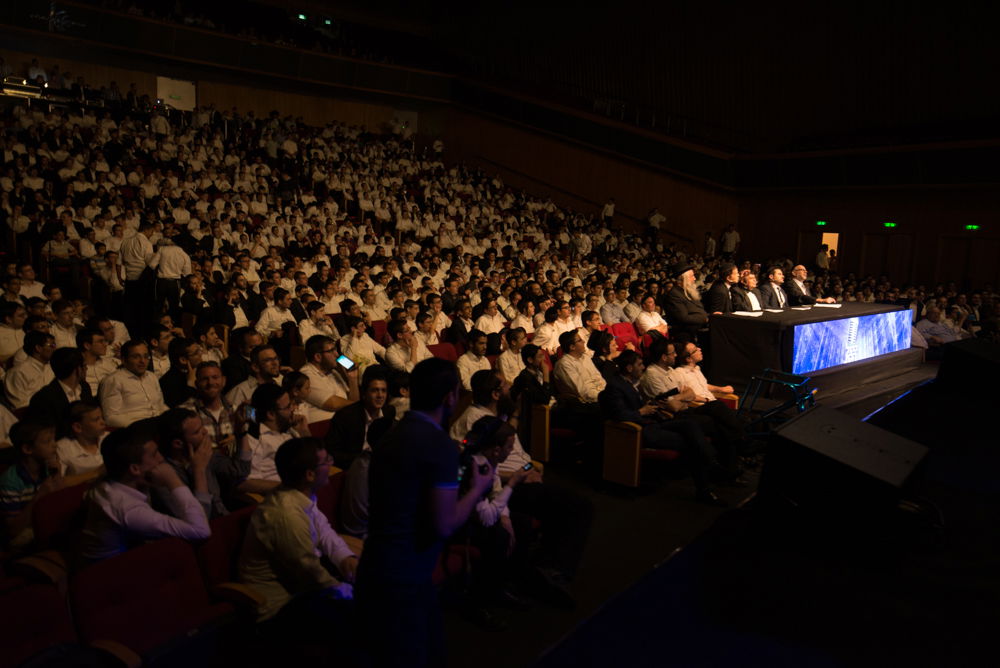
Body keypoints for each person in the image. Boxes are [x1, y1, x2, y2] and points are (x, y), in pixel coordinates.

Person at [356, 358, 495, 668]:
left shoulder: (390, 435)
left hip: (376, 565)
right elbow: (444, 525)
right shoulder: (438, 445)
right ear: (451, 396)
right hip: (407, 575)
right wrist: (476, 488)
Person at [238, 437, 359, 630]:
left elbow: (323, 528)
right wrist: (345, 591)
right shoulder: (285, 514)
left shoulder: (297, 494)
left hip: (302, 587)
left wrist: (344, 557)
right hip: (280, 607)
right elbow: (309, 571)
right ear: (310, 475)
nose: (331, 463)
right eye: (326, 460)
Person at [599, 350, 724, 506]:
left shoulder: (629, 383)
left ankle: (710, 460)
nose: (643, 367)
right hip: (638, 431)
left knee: (690, 424)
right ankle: (706, 483)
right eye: (639, 364)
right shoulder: (615, 387)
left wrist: (652, 408)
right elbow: (619, 414)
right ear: (629, 368)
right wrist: (641, 411)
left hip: (652, 421)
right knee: (690, 442)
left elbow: (635, 407)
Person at [78, 418, 211, 562]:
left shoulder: (115, 480)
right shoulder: (127, 508)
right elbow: (200, 531)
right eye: (154, 454)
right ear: (135, 469)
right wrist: (173, 480)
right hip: (111, 572)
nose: (161, 459)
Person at [327, 366, 395, 536]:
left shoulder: (388, 411)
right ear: (364, 393)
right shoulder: (346, 416)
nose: (380, 395)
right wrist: (363, 458)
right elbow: (332, 453)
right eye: (375, 391)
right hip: (355, 469)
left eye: (383, 391)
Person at [155, 407, 250, 519]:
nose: (205, 432)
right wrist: (198, 470)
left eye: (202, 427)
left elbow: (241, 469)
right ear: (178, 443)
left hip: (225, 519)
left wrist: (241, 432)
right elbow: (200, 519)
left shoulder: (203, 454)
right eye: (197, 432)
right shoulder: (163, 477)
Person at [0, 418, 63, 549]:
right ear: (28, 449)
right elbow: (13, 530)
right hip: (22, 536)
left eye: (54, 439)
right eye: (47, 442)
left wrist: (57, 476)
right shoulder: (11, 481)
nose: (54, 445)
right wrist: (39, 496)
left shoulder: (48, 468)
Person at [241, 383, 308, 493]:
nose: (293, 409)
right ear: (271, 414)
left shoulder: (289, 430)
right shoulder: (255, 439)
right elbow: (245, 482)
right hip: (282, 497)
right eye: (288, 407)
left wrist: (304, 431)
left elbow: (314, 458)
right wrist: (288, 488)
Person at [98, 340, 168, 428]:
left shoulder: (151, 377)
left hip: (158, 426)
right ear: (123, 360)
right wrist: (138, 427)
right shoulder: (113, 380)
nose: (142, 361)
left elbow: (160, 406)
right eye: (136, 357)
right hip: (134, 431)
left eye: (146, 356)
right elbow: (110, 418)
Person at [27, 346, 93, 434]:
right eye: (84, 365)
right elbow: (48, 432)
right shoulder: (44, 398)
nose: (87, 369)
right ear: (77, 369)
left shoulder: (84, 387)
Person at [300, 335, 359, 424]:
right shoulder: (306, 375)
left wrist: (353, 379)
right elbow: (333, 404)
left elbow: (353, 400)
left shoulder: (333, 373)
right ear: (318, 357)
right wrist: (361, 406)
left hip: (343, 424)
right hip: (322, 428)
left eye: (335, 349)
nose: (337, 354)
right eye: (331, 351)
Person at [4, 331, 56, 410]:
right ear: (38, 348)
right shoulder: (18, 372)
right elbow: (20, 406)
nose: (55, 348)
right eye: (52, 345)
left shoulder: (51, 368)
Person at [57, 400, 107, 476]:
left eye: (102, 417)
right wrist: (97, 472)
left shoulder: (108, 438)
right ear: (78, 427)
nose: (103, 422)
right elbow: (60, 483)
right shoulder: (63, 449)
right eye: (96, 420)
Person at [225, 344, 284, 408]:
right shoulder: (240, 391)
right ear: (255, 367)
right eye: (268, 360)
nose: (275, 363)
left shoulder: (279, 386)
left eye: (276, 358)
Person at [663, 262, 709, 340]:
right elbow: (684, 318)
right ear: (683, 278)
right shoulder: (674, 294)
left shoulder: (689, 291)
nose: (694, 278)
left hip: (698, 329)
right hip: (685, 335)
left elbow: (699, 310)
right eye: (692, 276)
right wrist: (704, 319)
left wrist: (710, 316)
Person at [158, 337, 201, 408]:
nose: (200, 355)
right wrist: (190, 384)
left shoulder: (199, 371)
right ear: (183, 360)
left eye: (199, 351)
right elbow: (179, 407)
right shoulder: (167, 382)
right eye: (196, 353)